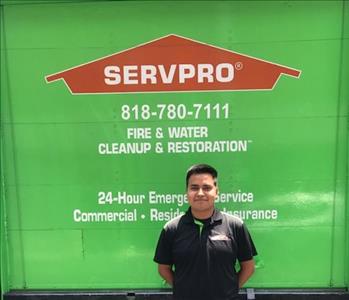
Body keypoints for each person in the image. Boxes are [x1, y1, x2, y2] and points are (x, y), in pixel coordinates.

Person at [154, 164, 257, 300]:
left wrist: (229, 290)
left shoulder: (235, 225)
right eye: (194, 188)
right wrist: (183, 289)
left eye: (207, 188)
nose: (200, 193)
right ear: (187, 192)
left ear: (216, 192)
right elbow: (163, 269)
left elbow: (248, 267)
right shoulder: (171, 228)